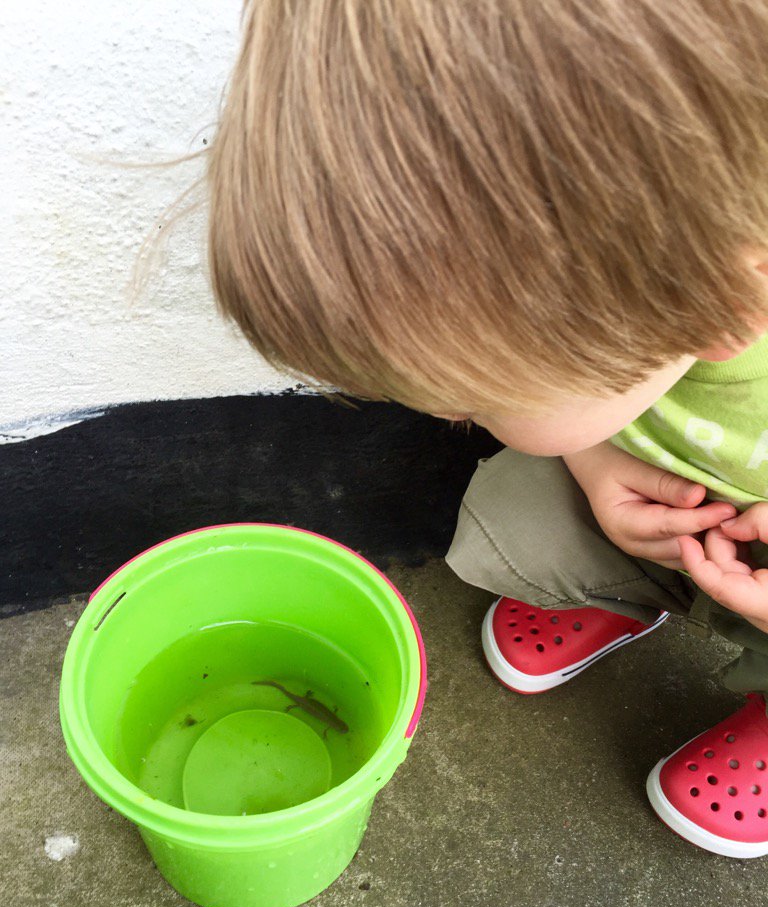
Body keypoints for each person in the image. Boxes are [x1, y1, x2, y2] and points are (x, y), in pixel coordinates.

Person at [203, 0, 768, 856]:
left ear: (723, 310)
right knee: (518, 510)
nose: (438, 414)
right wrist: (587, 458)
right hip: (663, 501)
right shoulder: (659, 280)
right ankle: (621, 594)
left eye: (479, 396)